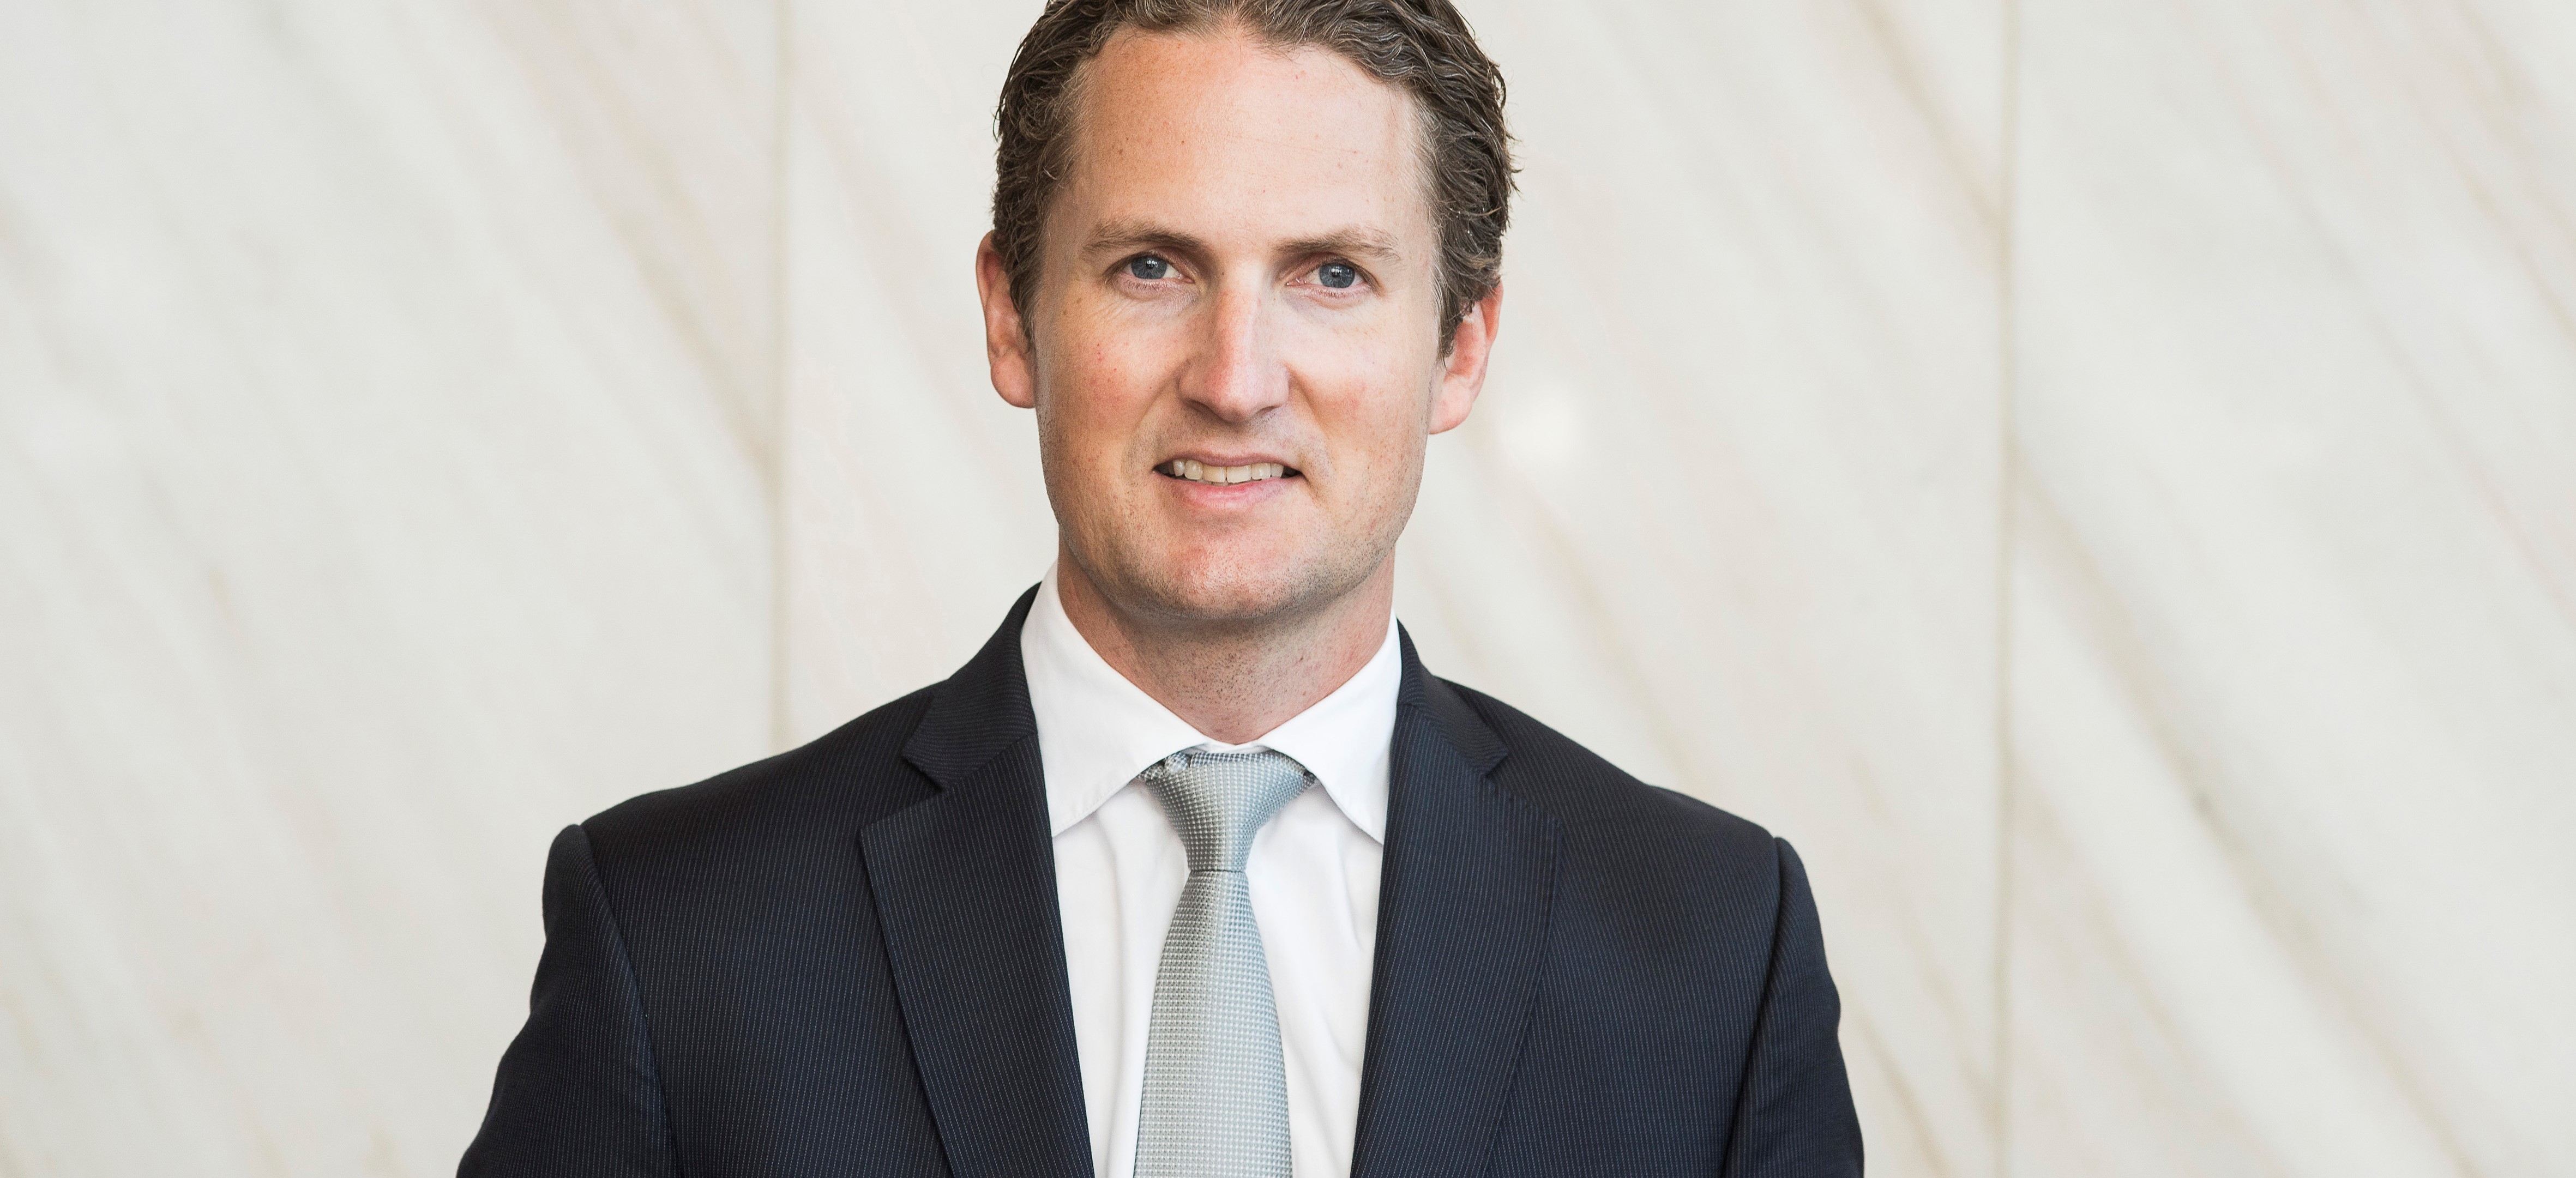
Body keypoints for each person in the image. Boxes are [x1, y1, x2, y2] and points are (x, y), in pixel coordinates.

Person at [459, 1, 1862, 1174]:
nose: (1235, 379)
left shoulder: (1712, 953)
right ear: (1011, 317)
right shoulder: (678, 935)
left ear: (1460, 349)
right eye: (1151, 267)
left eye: (1330, 274)